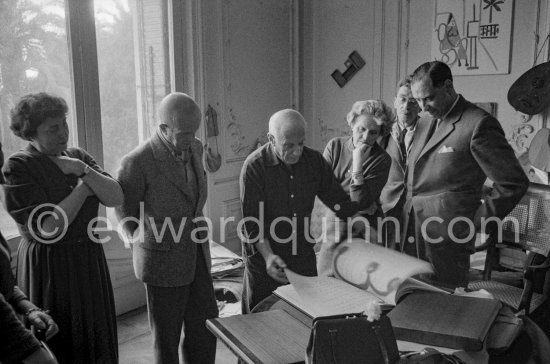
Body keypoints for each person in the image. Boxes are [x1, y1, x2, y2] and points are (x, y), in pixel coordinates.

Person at [2, 92, 123, 363]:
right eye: (53, 128)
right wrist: (84, 189)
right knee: (63, 338)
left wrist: (83, 170)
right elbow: (48, 228)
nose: (63, 133)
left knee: (95, 336)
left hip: (88, 259)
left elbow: (116, 196)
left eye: (64, 124)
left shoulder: (76, 157)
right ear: (31, 134)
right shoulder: (18, 166)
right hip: (50, 265)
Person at [403, 61, 529, 288]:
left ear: (448, 86)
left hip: (449, 236)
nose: (423, 107)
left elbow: (512, 182)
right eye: (418, 100)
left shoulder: (479, 124)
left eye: (429, 98)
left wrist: (474, 224)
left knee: (445, 306)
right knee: (412, 302)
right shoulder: (423, 122)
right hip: (410, 229)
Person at [116, 92, 218, 364]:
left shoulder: (194, 146)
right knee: (167, 340)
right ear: (163, 129)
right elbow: (127, 219)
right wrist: (154, 242)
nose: (192, 139)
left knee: (205, 327)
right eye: (185, 133)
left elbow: (194, 194)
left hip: (197, 254)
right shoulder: (136, 162)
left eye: (195, 132)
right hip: (162, 264)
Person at [240, 109, 359, 313]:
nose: (296, 152)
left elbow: (338, 201)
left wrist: (360, 222)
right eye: (288, 145)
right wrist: (268, 256)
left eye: (301, 143)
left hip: (301, 251)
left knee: (307, 313)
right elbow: (253, 223)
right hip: (265, 256)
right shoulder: (254, 167)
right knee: (261, 318)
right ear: (271, 139)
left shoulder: (314, 161)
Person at [323, 100, 392, 240]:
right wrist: (355, 208)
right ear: (352, 124)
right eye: (362, 129)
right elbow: (323, 189)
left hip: (366, 227)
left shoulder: (382, 159)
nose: (366, 137)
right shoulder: (335, 146)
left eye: (373, 133)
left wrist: (357, 164)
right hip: (335, 222)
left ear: (380, 134)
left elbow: (360, 202)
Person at [379, 77, 425, 249]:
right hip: (387, 204)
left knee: (411, 256)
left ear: (420, 104)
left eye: (413, 101)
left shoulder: (430, 129)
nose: (406, 106)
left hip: (416, 207)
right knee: (386, 255)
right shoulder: (381, 129)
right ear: (395, 101)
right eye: (403, 99)